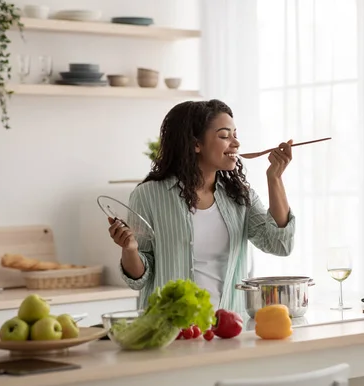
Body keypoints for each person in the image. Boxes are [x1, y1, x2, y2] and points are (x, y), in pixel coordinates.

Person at [107, 99, 296, 313]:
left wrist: (275, 178)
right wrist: (130, 249)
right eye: (224, 136)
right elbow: (138, 280)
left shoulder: (240, 197)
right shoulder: (148, 195)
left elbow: (279, 245)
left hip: (228, 328)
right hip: (170, 331)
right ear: (196, 144)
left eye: (235, 134)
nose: (235, 143)